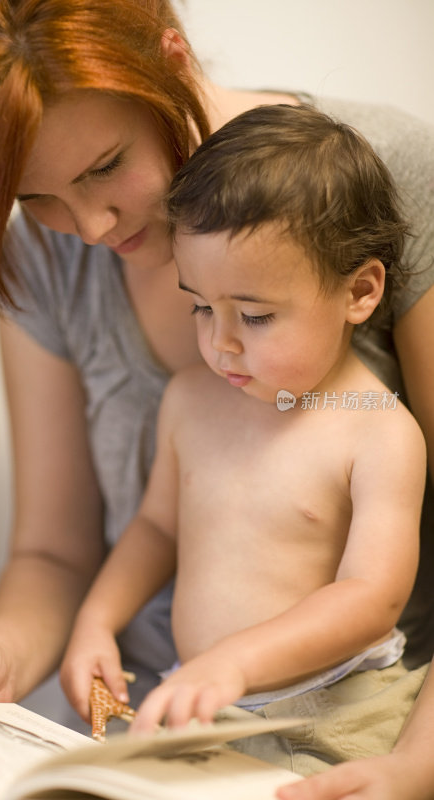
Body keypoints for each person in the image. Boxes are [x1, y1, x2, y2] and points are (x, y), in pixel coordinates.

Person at [0, 1, 433, 797]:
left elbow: (372, 592)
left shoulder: (372, 183)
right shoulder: (162, 369)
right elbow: (61, 549)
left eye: (104, 166)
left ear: (170, 61)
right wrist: (6, 653)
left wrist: (413, 768)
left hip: (351, 722)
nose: (86, 226)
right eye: (35, 198)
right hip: (161, 712)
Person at [68, 103, 428, 772]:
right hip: (203, 711)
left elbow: (372, 599)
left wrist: (234, 660)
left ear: (359, 291)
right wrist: (95, 620)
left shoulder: (377, 431)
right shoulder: (189, 400)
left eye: (256, 316)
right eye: (201, 306)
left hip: (333, 713)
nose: (220, 342)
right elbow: (154, 529)